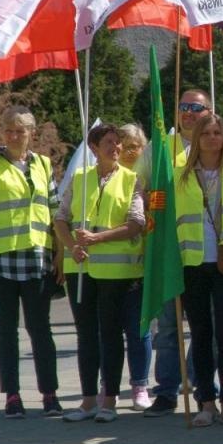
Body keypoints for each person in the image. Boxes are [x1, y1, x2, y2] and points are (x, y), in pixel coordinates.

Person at [0, 105, 60, 419]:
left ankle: (50, 394)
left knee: (40, 328)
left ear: (31, 134)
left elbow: (55, 209)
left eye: (21, 130)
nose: (15, 135)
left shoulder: (43, 165)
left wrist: (59, 251)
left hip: (36, 256)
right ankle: (12, 396)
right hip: (0, 258)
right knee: (6, 330)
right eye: (9, 129)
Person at [54, 122, 145, 424]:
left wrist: (97, 239)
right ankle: (88, 399)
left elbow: (135, 223)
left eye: (118, 143)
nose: (115, 147)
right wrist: (72, 247)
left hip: (115, 272)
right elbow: (61, 219)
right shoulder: (79, 178)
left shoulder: (132, 180)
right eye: (108, 142)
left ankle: (110, 400)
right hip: (80, 269)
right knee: (86, 336)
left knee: (110, 335)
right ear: (94, 148)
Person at [176, 112, 223, 429]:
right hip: (192, 262)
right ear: (196, 138)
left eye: (218, 132)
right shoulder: (179, 175)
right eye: (206, 133)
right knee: (201, 335)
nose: (212, 138)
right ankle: (206, 402)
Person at [144, 90, 213, 416]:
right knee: (169, 328)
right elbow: (142, 189)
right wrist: (152, 201)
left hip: (204, 256)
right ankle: (167, 392)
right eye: (183, 106)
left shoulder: (215, 144)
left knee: (204, 329)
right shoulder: (160, 147)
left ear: (209, 111)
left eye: (196, 107)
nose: (188, 112)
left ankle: (205, 391)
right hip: (171, 252)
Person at [115, 124, 153, 410]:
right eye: (123, 145)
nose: (129, 152)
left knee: (140, 330)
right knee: (110, 332)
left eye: (134, 147)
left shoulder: (148, 180)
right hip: (110, 266)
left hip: (141, 263)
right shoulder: (107, 178)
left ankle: (140, 385)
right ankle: (109, 386)